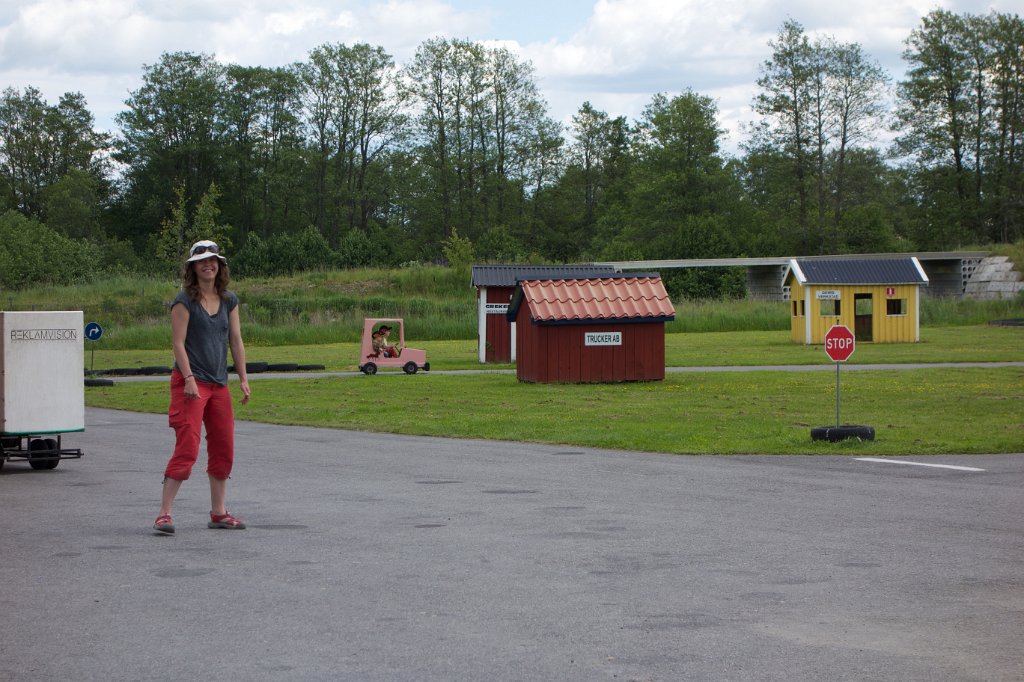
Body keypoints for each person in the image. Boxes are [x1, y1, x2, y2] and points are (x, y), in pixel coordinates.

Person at [154, 240, 251, 535]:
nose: (209, 265)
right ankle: (164, 514)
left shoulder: (229, 300)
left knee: (224, 446)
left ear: (220, 267)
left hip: (219, 384)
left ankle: (219, 513)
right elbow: (177, 343)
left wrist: (243, 378)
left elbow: (235, 340)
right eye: (203, 261)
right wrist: (188, 379)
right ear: (193, 267)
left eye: (214, 261)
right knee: (188, 446)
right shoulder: (184, 300)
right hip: (189, 384)